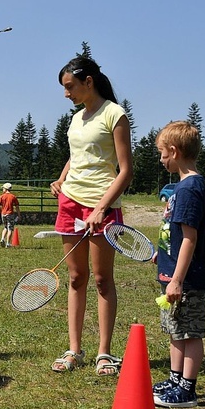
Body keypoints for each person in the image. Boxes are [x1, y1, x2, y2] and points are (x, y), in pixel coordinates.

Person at [49, 55, 133, 375]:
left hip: (103, 206)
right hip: (70, 203)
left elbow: (125, 171)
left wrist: (101, 208)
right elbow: (77, 157)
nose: (66, 93)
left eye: (69, 86)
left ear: (88, 82)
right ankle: (74, 350)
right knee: (75, 277)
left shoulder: (115, 114)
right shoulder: (76, 118)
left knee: (101, 279)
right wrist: (61, 178)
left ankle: (104, 353)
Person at [152, 121, 205, 408]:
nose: (161, 159)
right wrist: (162, 253)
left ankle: (187, 388)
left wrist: (177, 279)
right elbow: (174, 234)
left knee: (189, 332)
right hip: (172, 273)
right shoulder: (179, 188)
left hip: (185, 280)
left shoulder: (189, 189)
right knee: (175, 330)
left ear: (174, 152)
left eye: (162, 153)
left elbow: (189, 238)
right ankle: (175, 379)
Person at [0, 182, 20, 248]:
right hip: (10, 214)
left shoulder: (2, 196)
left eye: (3, 188)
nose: (2, 189)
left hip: (3, 214)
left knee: (5, 227)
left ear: (5, 189)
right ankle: (8, 243)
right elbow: (17, 207)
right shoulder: (13, 197)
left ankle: (2, 239)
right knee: (10, 229)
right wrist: (19, 215)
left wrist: (0, 211)